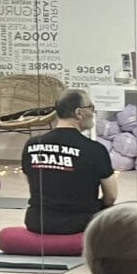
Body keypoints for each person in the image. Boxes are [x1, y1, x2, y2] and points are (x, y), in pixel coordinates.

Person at [21, 89, 116, 236]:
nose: (93, 113)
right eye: (91, 108)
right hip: (80, 224)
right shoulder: (95, 150)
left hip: (37, 222)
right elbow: (111, 197)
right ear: (79, 113)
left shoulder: (31, 145)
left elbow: (33, 184)